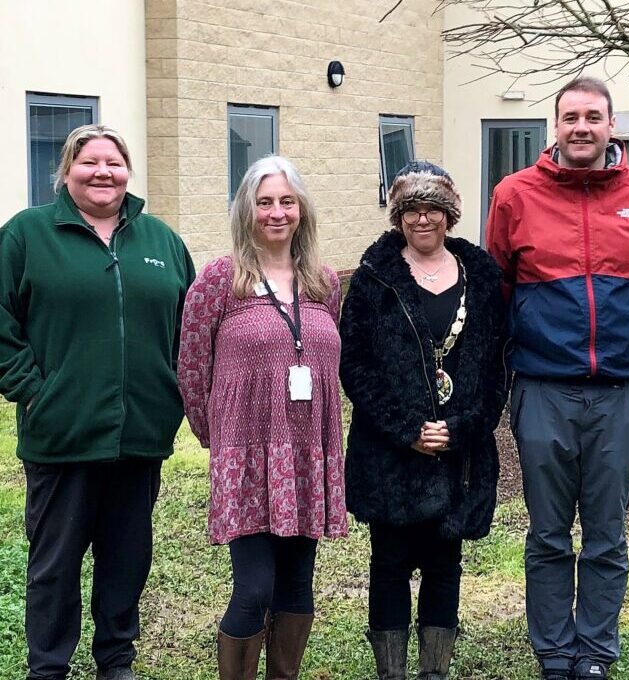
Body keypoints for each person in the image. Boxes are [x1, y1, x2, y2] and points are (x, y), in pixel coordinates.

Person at [0, 124, 196, 680]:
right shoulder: (26, 235)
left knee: (126, 560)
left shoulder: (160, 241)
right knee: (55, 564)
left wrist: (171, 393)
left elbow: (189, 329)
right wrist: (37, 393)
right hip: (61, 435)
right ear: (66, 172)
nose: (103, 172)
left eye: (114, 163)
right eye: (88, 162)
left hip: (140, 434)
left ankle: (115, 661)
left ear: (128, 173)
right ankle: (48, 666)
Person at [484, 76, 629, 680]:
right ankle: (554, 651)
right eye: (570, 117)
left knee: (606, 536)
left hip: (619, 394)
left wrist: (626, 346)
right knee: (547, 534)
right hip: (543, 390)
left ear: (611, 126)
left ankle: (594, 652)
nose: (581, 128)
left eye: (593, 117)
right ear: (555, 126)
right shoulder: (514, 196)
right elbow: (499, 290)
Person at [176, 155, 346, 680]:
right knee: (253, 589)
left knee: (297, 586)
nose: (276, 212)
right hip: (246, 458)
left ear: (302, 210)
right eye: (264, 201)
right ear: (246, 210)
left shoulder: (323, 282)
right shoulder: (219, 281)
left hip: (307, 456)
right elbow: (190, 365)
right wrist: (219, 439)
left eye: (286, 201)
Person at [341, 161, 510, 680]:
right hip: (390, 454)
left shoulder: (482, 281)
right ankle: (391, 672)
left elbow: (496, 365)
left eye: (433, 208)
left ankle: (435, 671)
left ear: (450, 214)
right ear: (398, 216)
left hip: (457, 457)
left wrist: (459, 430)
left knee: (444, 566)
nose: (422, 218)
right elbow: (355, 363)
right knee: (389, 566)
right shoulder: (374, 279)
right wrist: (407, 429)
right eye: (412, 209)